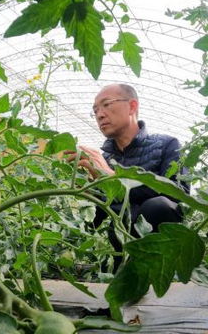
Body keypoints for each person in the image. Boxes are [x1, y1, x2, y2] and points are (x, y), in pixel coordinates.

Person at [68, 83, 189, 269]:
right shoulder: (104, 158)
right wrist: (87, 193)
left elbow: (179, 193)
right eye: (95, 110)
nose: (99, 115)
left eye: (106, 104)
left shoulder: (167, 144)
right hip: (116, 247)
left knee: (158, 206)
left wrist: (112, 177)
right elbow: (99, 215)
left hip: (159, 246)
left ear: (132, 106)